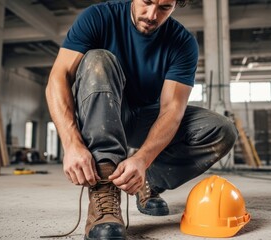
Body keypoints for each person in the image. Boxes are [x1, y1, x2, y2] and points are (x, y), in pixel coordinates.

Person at [46, 0, 238, 239]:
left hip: (148, 118)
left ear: (177, 5)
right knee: (98, 59)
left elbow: (172, 110)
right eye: (146, 2)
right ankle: (104, 199)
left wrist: (143, 160)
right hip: (102, 110)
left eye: (164, 7)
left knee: (222, 131)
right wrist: (72, 144)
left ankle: (148, 181)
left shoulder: (182, 43)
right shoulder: (98, 17)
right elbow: (58, 78)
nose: (151, 14)